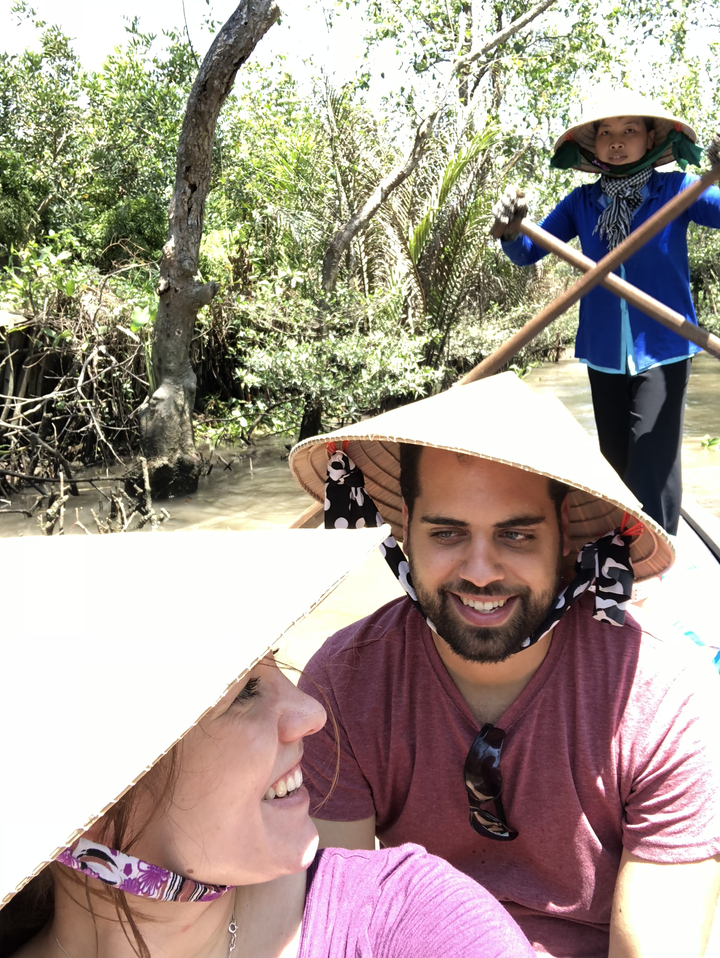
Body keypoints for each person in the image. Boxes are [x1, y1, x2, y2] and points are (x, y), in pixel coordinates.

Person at [288, 372, 720, 958]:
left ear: (566, 540)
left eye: (516, 535)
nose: (482, 572)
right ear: (405, 536)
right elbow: (337, 918)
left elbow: (653, 946)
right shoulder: (343, 686)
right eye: (448, 533)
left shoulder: (659, 700)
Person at [0, 528, 535, 958]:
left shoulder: (410, 917)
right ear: (94, 801)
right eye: (245, 691)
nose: (313, 713)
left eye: (276, 664)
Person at [492, 91, 720, 536]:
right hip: (604, 351)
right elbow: (526, 252)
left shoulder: (677, 190)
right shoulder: (581, 203)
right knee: (617, 460)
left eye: (629, 130)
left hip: (665, 346)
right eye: (606, 133)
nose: (617, 140)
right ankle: (629, 546)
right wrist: (509, 227)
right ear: (592, 146)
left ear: (652, 137)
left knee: (650, 457)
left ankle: (648, 557)